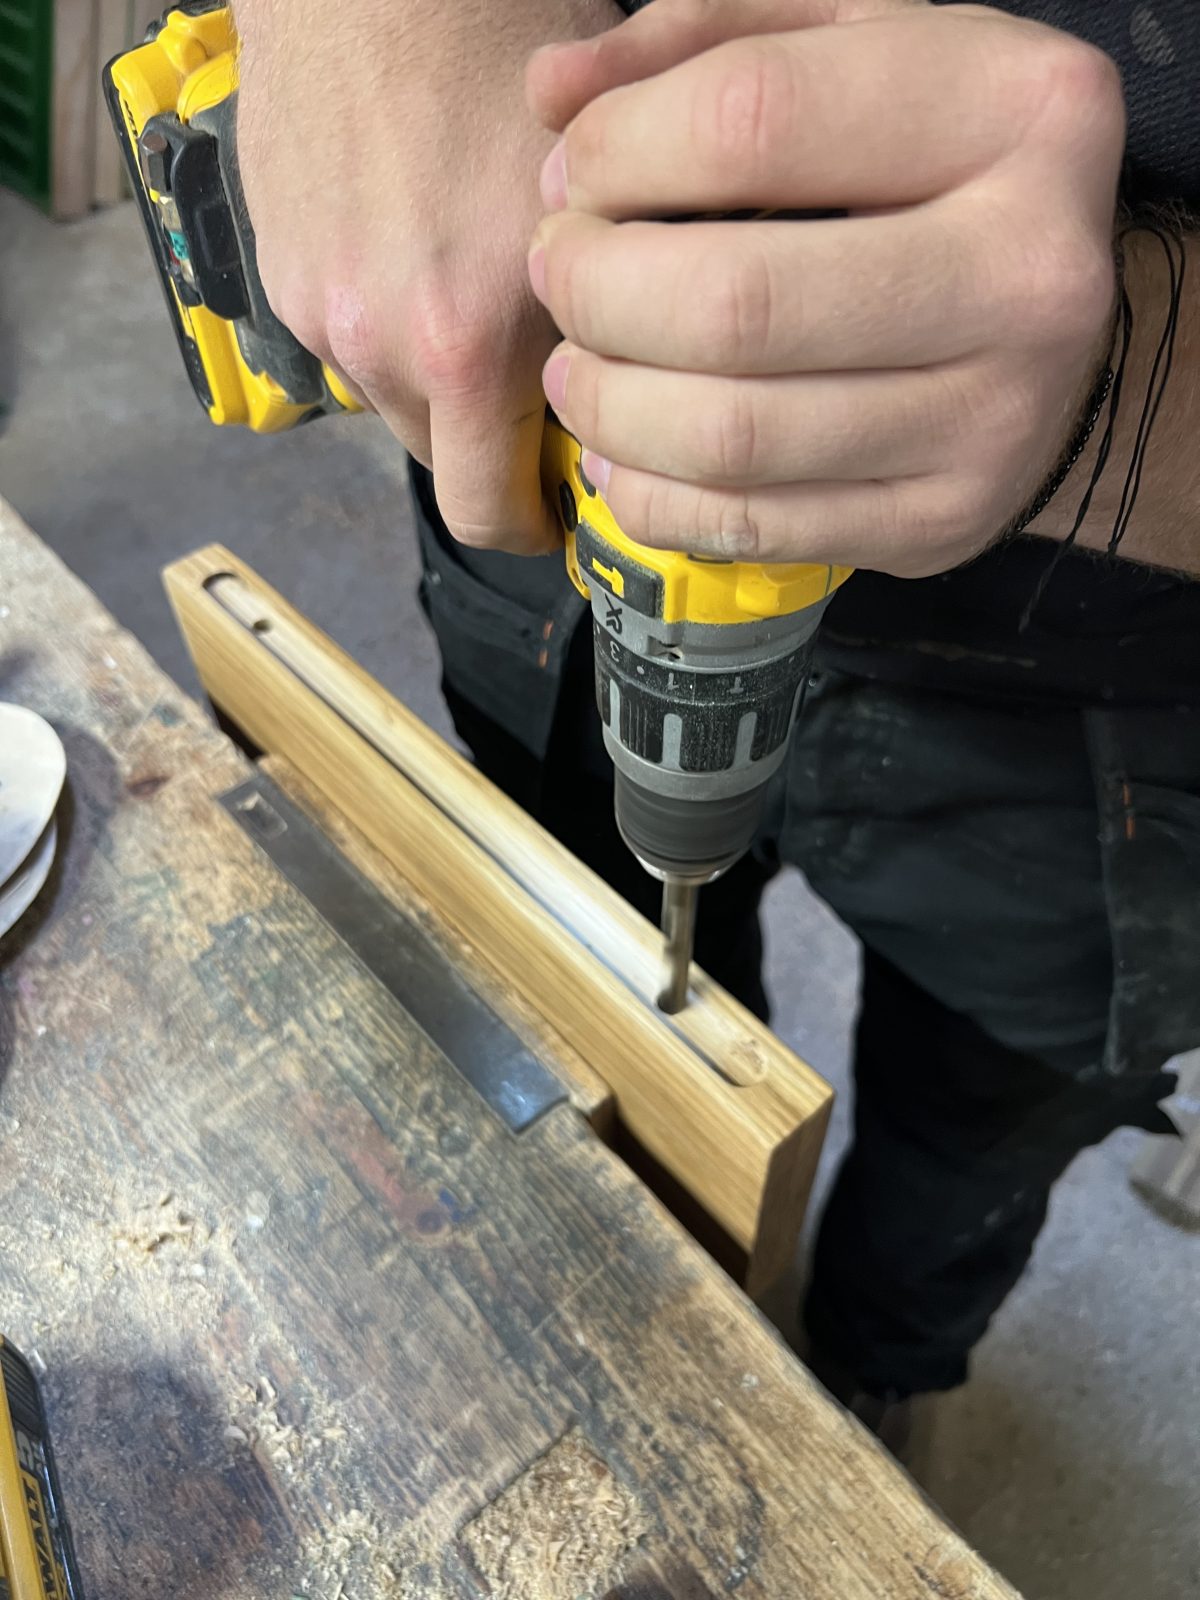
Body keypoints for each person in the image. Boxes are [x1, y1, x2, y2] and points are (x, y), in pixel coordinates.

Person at [233, 0, 1200, 1414]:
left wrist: (1136, 381)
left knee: (960, 1170)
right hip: (548, 506)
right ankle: (683, 1348)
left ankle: (870, 1389)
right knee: (628, 1052)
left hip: (1114, 685)